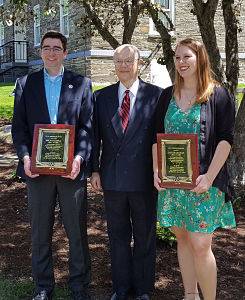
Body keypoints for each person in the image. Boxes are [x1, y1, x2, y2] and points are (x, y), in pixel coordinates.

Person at [152, 38, 236, 300]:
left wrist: (209, 177)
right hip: (173, 184)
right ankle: (190, 295)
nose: (181, 62)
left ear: (200, 58)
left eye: (187, 56)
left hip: (204, 183)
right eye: (177, 57)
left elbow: (225, 140)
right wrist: (157, 170)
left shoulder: (218, 95)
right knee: (183, 239)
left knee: (200, 243)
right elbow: (157, 136)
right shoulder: (166, 95)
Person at [11, 31, 93, 300]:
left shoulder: (81, 84)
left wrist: (80, 159)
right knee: (40, 231)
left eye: (57, 48)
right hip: (37, 170)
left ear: (65, 53)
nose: (51, 52)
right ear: (40, 52)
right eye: (46, 48)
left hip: (72, 170)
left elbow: (86, 128)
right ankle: (43, 287)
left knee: (76, 231)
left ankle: (79, 286)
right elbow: (19, 129)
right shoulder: (26, 84)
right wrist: (25, 157)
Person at [91, 44, 163, 300]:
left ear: (138, 62)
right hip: (112, 180)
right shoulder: (102, 97)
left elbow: (161, 138)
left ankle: (143, 289)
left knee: (144, 236)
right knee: (117, 236)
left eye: (128, 60)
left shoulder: (156, 95)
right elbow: (95, 137)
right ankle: (120, 288)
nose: (123, 65)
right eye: (118, 60)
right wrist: (95, 170)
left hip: (145, 180)